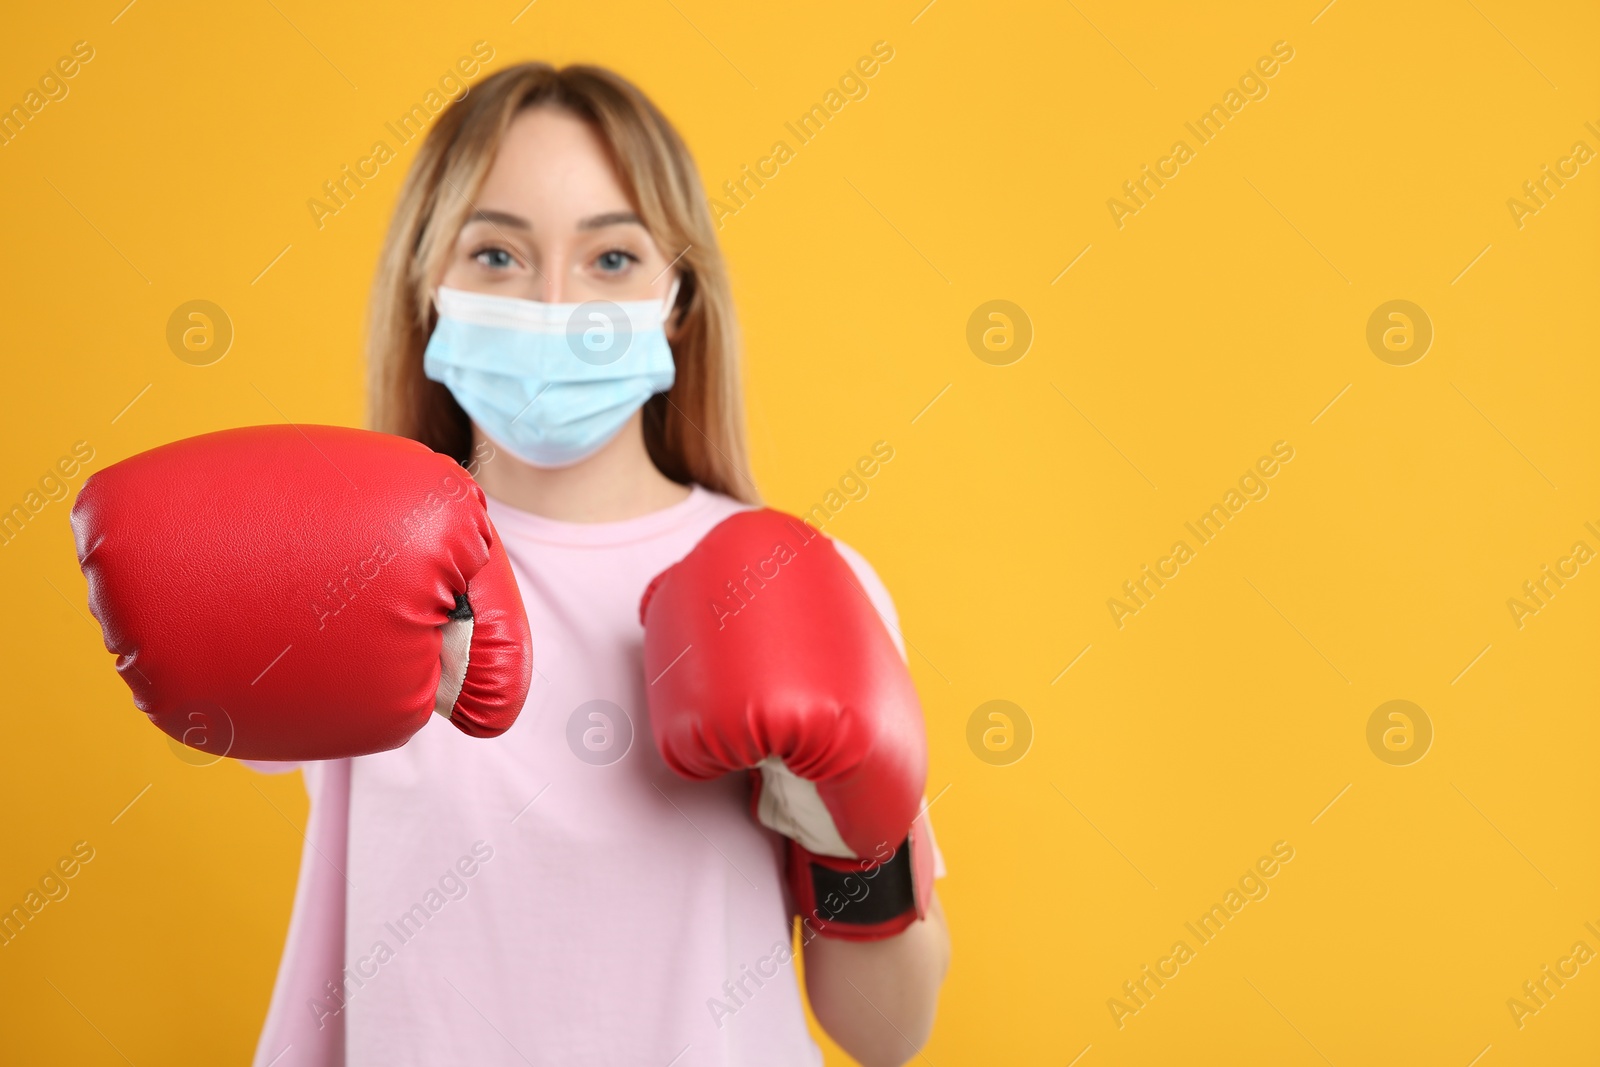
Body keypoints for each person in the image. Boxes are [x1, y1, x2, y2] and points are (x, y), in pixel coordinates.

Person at [245, 63, 949, 1066]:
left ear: (679, 297)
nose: (554, 302)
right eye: (496, 251)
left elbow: (887, 1032)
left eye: (612, 257)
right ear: (426, 284)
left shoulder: (797, 583)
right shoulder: (350, 569)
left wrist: (854, 829)